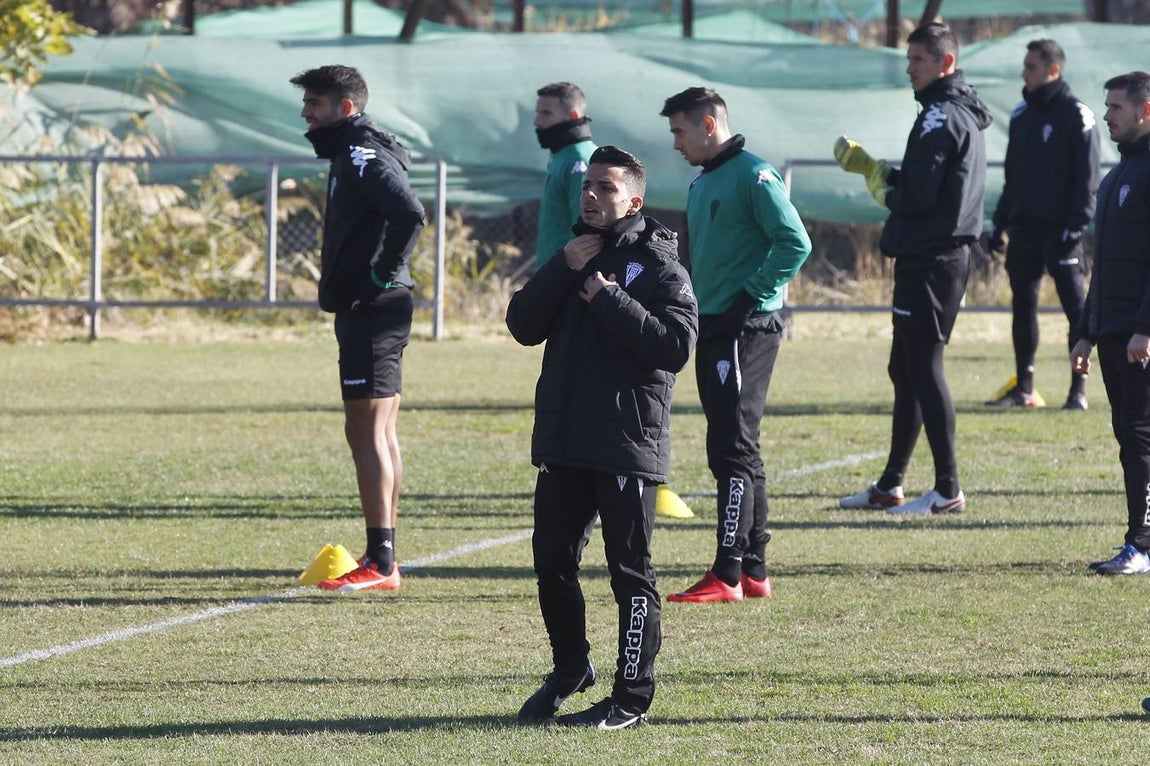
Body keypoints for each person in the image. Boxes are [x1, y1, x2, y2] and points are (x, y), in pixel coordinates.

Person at [507, 145, 698, 729]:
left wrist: (606, 295)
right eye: (588, 186)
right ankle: (571, 669)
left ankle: (632, 699)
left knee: (630, 574)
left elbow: (674, 346)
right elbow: (521, 325)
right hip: (565, 442)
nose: (591, 195)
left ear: (633, 200)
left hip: (624, 444)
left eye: (606, 189)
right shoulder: (573, 254)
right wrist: (565, 268)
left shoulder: (659, 262)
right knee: (552, 562)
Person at [659, 87, 812, 604]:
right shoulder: (703, 180)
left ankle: (726, 572)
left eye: (680, 131)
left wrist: (748, 299)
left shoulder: (754, 175)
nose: (676, 143)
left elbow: (795, 242)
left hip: (744, 328)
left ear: (707, 123)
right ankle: (752, 568)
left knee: (731, 447)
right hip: (715, 325)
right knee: (736, 443)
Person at [834, 22, 991, 515]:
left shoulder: (940, 117)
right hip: (931, 255)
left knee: (923, 367)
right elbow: (933, 181)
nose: (909, 69)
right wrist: (885, 171)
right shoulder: (943, 114)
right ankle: (891, 484)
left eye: (918, 60)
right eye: (908, 60)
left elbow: (922, 197)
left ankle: (948, 490)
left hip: (934, 257)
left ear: (945, 63)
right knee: (905, 368)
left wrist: (885, 189)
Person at [290, 65, 425, 591]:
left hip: (373, 307)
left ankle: (382, 561)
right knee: (380, 432)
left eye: (315, 104)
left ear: (345, 108)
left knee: (367, 432)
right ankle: (385, 555)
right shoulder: (355, 148)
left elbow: (409, 212)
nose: (306, 114)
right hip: (377, 307)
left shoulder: (359, 152)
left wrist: (376, 275)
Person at [985, 39, 1101, 410]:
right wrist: (999, 222)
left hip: (1062, 232)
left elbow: (1088, 177)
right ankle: (1025, 387)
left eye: (1031, 66)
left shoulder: (1077, 115)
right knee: (1024, 307)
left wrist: (1076, 224)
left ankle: (1077, 393)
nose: (1025, 72)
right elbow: (1013, 177)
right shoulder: (1021, 115)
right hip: (1024, 229)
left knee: (1076, 312)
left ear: (1054, 70)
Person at [1071, 71, 1150, 576]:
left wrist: (1146, 326)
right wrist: (1085, 328)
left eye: (1117, 107)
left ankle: (1141, 544)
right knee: (1129, 433)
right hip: (1111, 329)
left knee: (1140, 434)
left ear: (1146, 111)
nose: (1107, 115)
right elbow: (1103, 265)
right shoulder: (1116, 174)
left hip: (1137, 334)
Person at [534, 82, 597, 269]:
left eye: (546, 113)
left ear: (574, 116)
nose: (537, 122)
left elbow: (586, 230)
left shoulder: (580, 160)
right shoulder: (561, 155)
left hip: (564, 280)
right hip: (550, 274)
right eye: (537, 113)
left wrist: (563, 278)